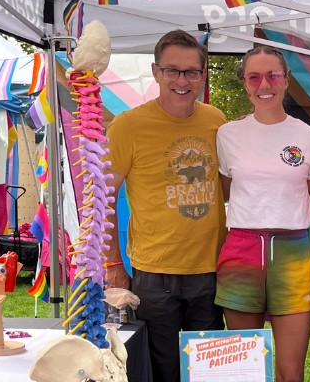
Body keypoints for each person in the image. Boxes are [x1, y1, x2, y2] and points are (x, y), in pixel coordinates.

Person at [104, 30, 226, 382]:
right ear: (156, 72)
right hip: (154, 274)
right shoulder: (128, 125)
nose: (182, 81)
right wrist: (113, 262)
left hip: (210, 269)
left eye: (191, 72)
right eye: (172, 70)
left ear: (203, 76)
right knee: (163, 368)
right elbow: (102, 198)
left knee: (207, 369)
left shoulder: (216, 120)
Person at [215, 46, 310, 381]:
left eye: (273, 75)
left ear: (286, 80)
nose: (264, 83)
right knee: (243, 367)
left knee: (290, 371)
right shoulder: (227, 134)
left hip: (292, 253)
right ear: (245, 84)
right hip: (241, 252)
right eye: (254, 76)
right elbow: (224, 192)